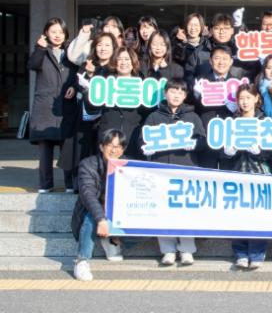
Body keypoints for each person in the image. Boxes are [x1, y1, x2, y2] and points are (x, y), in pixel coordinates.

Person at [140, 78, 206, 266]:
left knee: (186, 211)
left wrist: (194, 144)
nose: (176, 95)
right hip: (161, 170)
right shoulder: (154, 117)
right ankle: (167, 250)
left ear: (185, 96)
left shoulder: (192, 117)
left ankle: (187, 249)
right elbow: (142, 140)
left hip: (186, 169)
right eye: (172, 91)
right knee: (163, 210)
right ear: (165, 93)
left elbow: (203, 141)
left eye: (180, 92)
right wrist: (146, 148)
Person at [60, 32, 119, 188]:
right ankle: (81, 184)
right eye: (99, 45)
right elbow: (78, 83)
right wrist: (86, 77)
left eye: (107, 45)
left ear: (114, 48)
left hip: (106, 117)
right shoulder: (88, 64)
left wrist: (93, 76)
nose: (103, 48)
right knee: (83, 150)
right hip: (86, 116)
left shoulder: (115, 68)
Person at [71, 129, 129, 281]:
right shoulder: (87, 165)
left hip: (118, 211)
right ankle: (81, 261)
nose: (114, 150)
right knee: (92, 216)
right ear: (101, 146)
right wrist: (102, 220)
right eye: (110, 145)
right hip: (92, 210)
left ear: (123, 149)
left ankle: (112, 240)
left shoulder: (129, 166)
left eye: (118, 146)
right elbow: (88, 196)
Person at [28, 18, 79, 193]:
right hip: (45, 108)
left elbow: (78, 75)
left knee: (67, 149)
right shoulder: (42, 50)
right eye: (53, 31)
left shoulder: (71, 53)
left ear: (66, 34)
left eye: (61, 32)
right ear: (46, 33)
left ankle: (70, 184)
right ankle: (45, 184)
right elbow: (32, 65)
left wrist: (74, 87)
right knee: (45, 149)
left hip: (66, 107)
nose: (57, 35)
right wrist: (40, 48)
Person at [224, 84, 271, 270]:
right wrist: (228, 152)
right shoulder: (231, 121)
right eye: (241, 98)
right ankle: (240, 253)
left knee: (259, 215)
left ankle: (257, 253)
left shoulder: (265, 121)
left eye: (248, 98)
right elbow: (221, 150)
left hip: (259, 173)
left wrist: (259, 152)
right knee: (238, 215)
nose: (244, 102)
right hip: (236, 173)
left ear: (256, 99)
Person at [184, 13, 259, 90]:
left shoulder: (242, 52)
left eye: (226, 28)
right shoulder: (199, 52)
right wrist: (195, 89)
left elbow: (253, 75)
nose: (222, 32)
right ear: (211, 30)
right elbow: (188, 76)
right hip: (207, 94)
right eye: (217, 28)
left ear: (232, 30)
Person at [193, 45, 239, 169]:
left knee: (229, 173)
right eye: (217, 58)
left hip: (229, 135)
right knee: (206, 172)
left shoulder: (237, 83)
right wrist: (196, 96)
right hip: (206, 134)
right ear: (210, 61)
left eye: (225, 58)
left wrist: (236, 109)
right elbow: (191, 107)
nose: (221, 62)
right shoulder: (200, 81)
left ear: (231, 61)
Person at [95, 47, 145, 158]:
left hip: (133, 135)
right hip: (108, 132)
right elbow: (93, 106)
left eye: (127, 59)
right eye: (120, 59)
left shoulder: (142, 84)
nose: (123, 62)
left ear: (133, 62)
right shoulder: (106, 82)